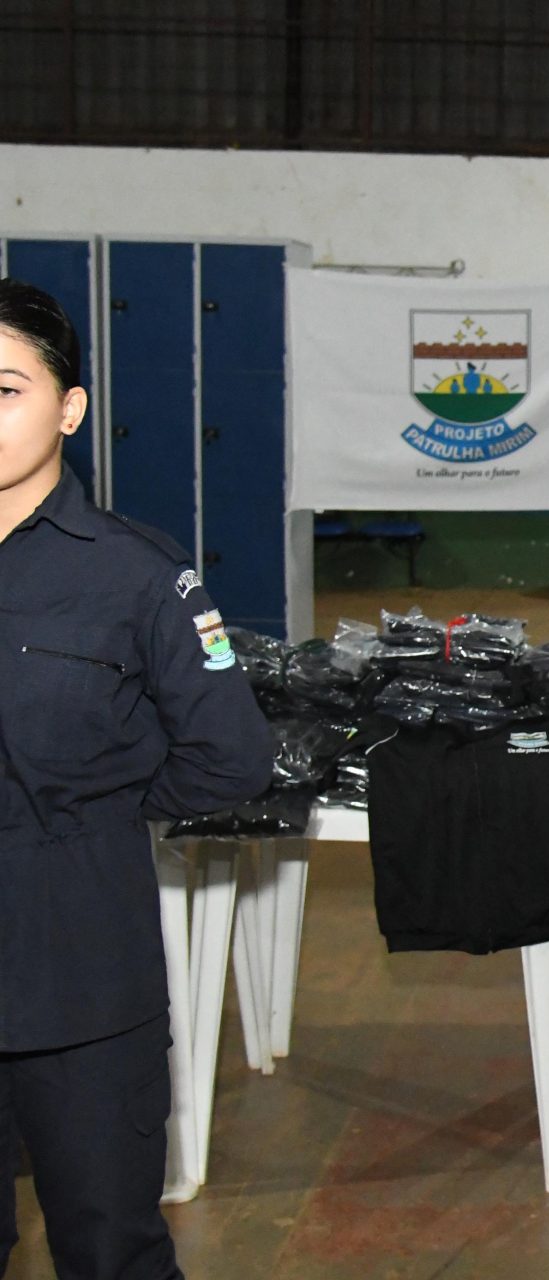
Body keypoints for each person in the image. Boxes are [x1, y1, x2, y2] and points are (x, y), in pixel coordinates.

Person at [0, 278, 274, 1278]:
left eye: (5, 390)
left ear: (70, 408)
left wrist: (93, 812)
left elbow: (231, 754)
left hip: (78, 973)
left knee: (108, 1245)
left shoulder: (136, 575)